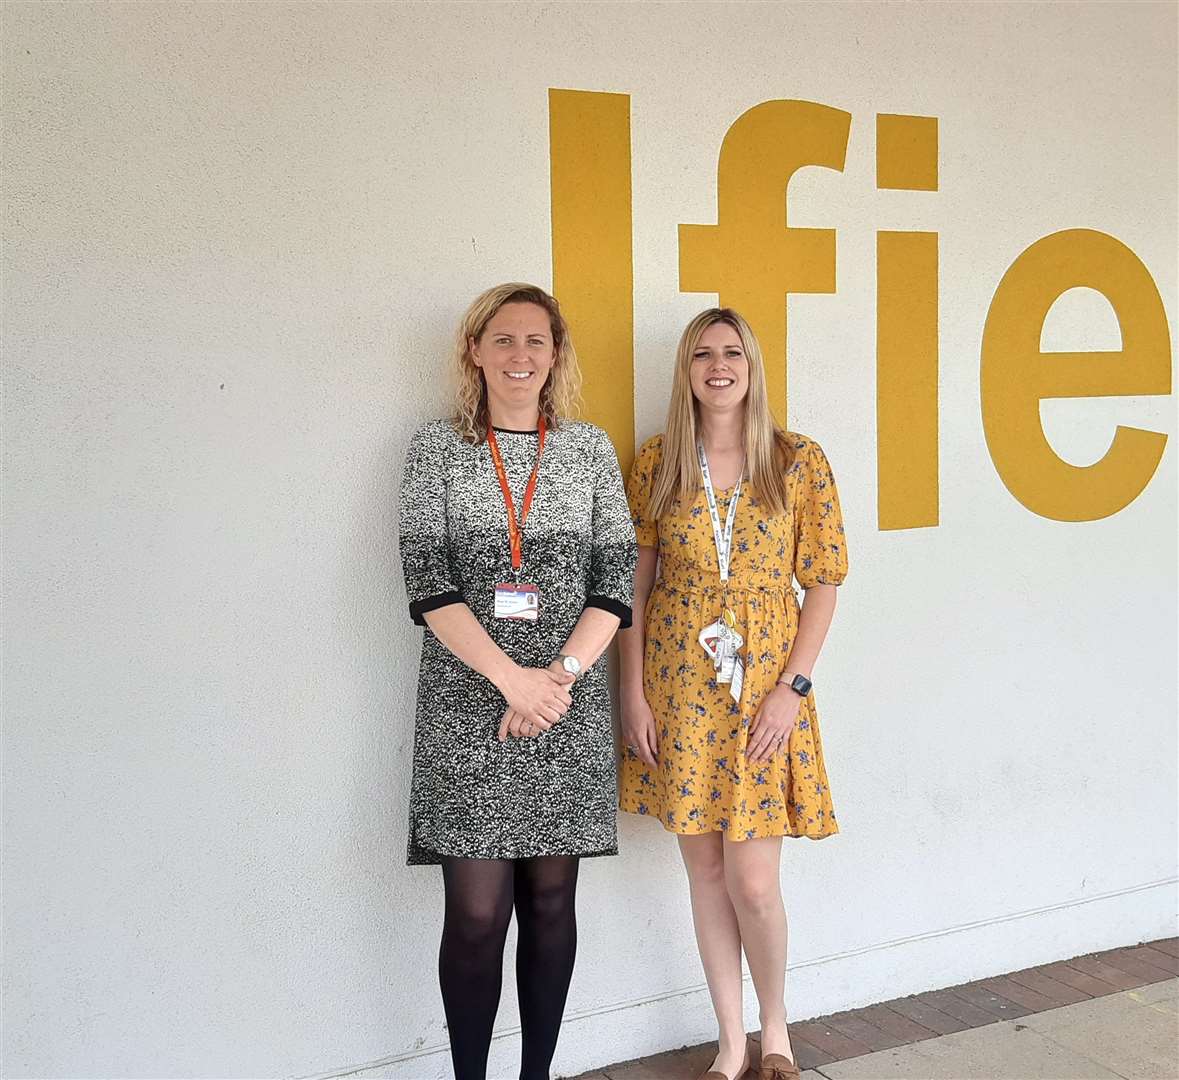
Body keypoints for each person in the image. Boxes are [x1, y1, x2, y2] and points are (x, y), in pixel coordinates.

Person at [397, 283, 636, 1080]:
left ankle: (536, 1075)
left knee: (549, 902)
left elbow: (615, 581)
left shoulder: (589, 450)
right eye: (503, 339)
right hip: (469, 703)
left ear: (556, 354)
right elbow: (426, 583)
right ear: (474, 350)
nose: (520, 356)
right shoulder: (436, 448)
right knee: (473, 914)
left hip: (563, 705)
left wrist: (557, 679)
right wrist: (512, 681)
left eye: (537, 341)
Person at [618, 309, 848, 1080]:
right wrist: (633, 696)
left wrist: (793, 687)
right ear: (684, 370)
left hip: (765, 695)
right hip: (679, 691)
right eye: (702, 355)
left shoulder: (797, 460)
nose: (718, 366)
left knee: (753, 880)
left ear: (752, 365)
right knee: (706, 874)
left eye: (731, 353)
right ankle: (729, 1041)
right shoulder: (656, 464)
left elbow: (821, 583)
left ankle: (774, 1028)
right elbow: (634, 593)